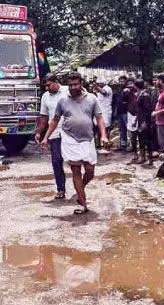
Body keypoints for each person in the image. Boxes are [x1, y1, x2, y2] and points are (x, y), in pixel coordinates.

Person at [42, 72, 109, 214]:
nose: (73, 87)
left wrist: (103, 135)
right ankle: (82, 203)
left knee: (90, 171)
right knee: (76, 170)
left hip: (88, 139)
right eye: (70, 85)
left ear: (81, 84)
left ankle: (80, 188)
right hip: (69, 139)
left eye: (75, 84)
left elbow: (99, 117)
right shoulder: (63, 100)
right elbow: (55, 120)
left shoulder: (92, 98)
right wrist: (46, 136)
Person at [37, 73, 69, 199]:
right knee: (56, 161)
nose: (47, 88)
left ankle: (80, 188)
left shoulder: (68, 91)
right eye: (45, 86)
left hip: (70, 131)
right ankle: (60, 189)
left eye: (49, 85)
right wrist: (39, 132)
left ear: (56, 82)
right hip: (54, 133)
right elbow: (44, 116)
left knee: (74, 161)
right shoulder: (45, 96)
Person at [135, 79, 157, 164]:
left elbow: (148, 110)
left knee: (147, 139)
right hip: (140, 119)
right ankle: (143, 157)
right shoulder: (140, 94)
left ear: (136, 86)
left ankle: (150, 158)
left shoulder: (145, 95)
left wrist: (145, 122)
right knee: (141, 138)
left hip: (145, 121)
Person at [124, 78, 140, 161]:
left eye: (131, 83)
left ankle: (142, 154)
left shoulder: (140, 93)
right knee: (132, 135)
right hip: (131, 114)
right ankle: (135, 153)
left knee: (141, 136)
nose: (130, 85)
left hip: (139, 115)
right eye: (128, 84)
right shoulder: (127, 93)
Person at [112, 75, 129, 151]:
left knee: (128, 129)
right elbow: (116, 102)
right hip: (119, 112)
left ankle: (130, 145)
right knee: (122, 129)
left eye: (123, 81)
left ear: (126, 81)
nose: (121, 82)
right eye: (120, 81)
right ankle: (123, 144)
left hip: (126, 112)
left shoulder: (128, 89)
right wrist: (115, 111)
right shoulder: (118, 90)